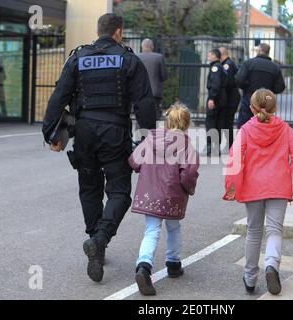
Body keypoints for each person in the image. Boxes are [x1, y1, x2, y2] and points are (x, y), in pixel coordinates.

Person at [42, 13, 156, 283]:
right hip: (114, 132)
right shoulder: (129, 59)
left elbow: (59, 96)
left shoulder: (78, 58)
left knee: (89, 186)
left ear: (99, 31)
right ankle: (101, 239)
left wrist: (50, 134)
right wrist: (146, 139)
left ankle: (95, 239)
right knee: (120, 190)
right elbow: (144, 103)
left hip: (84, 132)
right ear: (118, 32)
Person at [223, 88, 293, 296]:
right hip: (278, 186)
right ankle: (271, 265)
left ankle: (250, 277)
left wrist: (231, 187)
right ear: (275, 107)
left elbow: (234, 160)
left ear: (252, 108)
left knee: (253, 232)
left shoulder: (245, 129)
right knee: (274, 230)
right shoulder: (285, 129)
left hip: (252, 187)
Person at [128, 104, 199, 296]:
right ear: (186, 124)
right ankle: (173, 264)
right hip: (173, 195)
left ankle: (143, 266)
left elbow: (134, 159)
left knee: (151, 231)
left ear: (167, 121)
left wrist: (143, 169)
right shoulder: (186, 145)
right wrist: (187, 188)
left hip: (150, 194)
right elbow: (189, 172)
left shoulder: (152, 138)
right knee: (173, 227)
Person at [235, 43, 285, 128]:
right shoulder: (275, 67)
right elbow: (280, 87)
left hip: (249, 98)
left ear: (259, 50)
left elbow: (239, 80)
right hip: (266, 101)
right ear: (268, 52)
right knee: (263, 126)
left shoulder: (248, 63)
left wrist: (246, 87)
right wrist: (269, 91)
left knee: (244, 125)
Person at [138, 39, 168, 120]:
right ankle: (153, 132)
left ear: (142, 47)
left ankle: (140, 132)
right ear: (152, 47)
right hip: (155, 93)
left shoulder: (137, 57)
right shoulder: (159, 57)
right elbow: (164, 76)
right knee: (155, 117)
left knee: (141, 116)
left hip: (140, 93)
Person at [205, 48, 228, 156]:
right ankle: (215, 148)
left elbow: (215, 83)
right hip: (222, 98)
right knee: (218, 123)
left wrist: (212, 98)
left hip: (216, 98)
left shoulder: (215, 67)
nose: (208, 57)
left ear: (214, 56)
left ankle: (211, 148)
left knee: (211, 123)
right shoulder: (221, 67)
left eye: (209, 55)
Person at [219, 47, 241, 150]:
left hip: (230, 99)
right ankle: (230, 144)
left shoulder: (227, 65)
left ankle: (231, 145)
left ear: (221, 55)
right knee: (226, 123)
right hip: (230, 98)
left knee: (227, 123)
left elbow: (227, 83)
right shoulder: (228, 63)